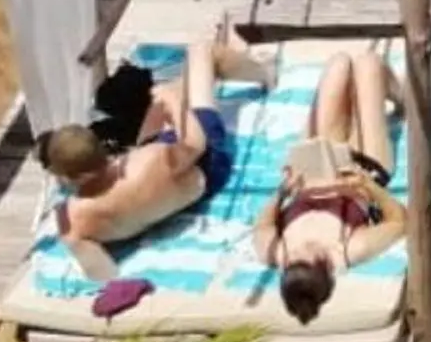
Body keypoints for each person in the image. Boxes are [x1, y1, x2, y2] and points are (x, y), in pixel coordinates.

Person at [36, 20, 270, 277]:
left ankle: (189, 82)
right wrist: (174, 103)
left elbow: (102, 273)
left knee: (162, 101)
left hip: (156, 183)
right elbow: (196, 144)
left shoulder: (73, 220)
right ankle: (265, 73)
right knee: (201, 52)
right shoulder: (151, 160)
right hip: (203, 165)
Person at [253, 43, 408, 324]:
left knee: (338, 64)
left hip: (313, 168)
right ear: (323, 265)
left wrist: (282, 193)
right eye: (304, 256)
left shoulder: (277, 251)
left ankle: (374, 98)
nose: (296, 252)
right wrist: (364, 186)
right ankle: (401, 97)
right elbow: (399, 222)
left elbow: (262, 225)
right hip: (363, 169)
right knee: (368, 65)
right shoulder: (349, 250)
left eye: (291, 260)